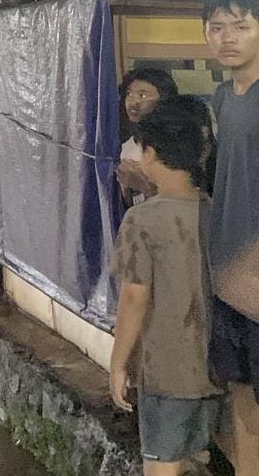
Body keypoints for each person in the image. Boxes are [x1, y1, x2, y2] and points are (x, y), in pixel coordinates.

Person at [109, 98, 222, 475]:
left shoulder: (142, 219)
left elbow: (133, 298)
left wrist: (118, 363)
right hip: (220, 368)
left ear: (151, 154)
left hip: (167, 370)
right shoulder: (217, 211)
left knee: (162, 465)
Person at [202, 0, 259, 476]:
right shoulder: (222, 97)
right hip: (228, 273)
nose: (228, 38)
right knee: (239, 386)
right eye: (217, 28)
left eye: (240, 26)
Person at [117, 67, 179, 206]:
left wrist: (143, 185)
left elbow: (183, 201)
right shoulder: (126, 146)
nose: (133, 102)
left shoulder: (177, 144)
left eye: (143, 95)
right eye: (129, 94)